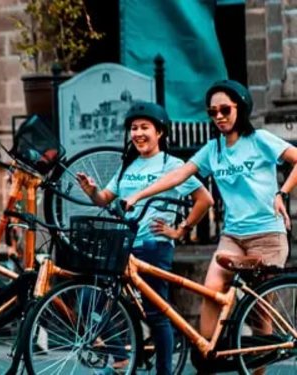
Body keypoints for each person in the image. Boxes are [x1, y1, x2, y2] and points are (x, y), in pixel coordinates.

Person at [124, 80, 297, 348]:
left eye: (225, 110)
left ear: (240, 107)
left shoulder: (259, 140)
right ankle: (208, 352)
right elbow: (178, 175)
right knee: (211, 292)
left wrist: (282, 193)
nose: (218, 117)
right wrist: (138, 195)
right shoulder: (213, 149)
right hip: (232, 237)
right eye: (212, 112)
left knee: (259, 314)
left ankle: (257, 365)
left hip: (267, 236)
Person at [75, 101, 213, 374]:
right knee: (89, 297)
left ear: (160, 132)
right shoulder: (129, 165)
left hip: (154, 245)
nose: (138, 133)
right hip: (124, 246)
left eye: (144, 128)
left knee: (155, 312)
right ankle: (121, 357)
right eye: (133, 128)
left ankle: (164, 370)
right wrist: (91, 191)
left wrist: (180, 230)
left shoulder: (173, 165)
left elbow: (204, 199)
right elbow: (106, 199)